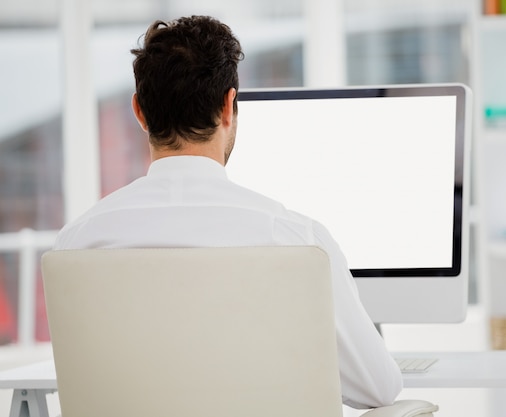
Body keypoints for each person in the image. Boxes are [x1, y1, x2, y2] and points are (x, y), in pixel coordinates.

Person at [53, 15, 402, 409]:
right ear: (227, 105)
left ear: (140, 111)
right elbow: (379, 388)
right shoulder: (296, 240)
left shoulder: (76, 244)